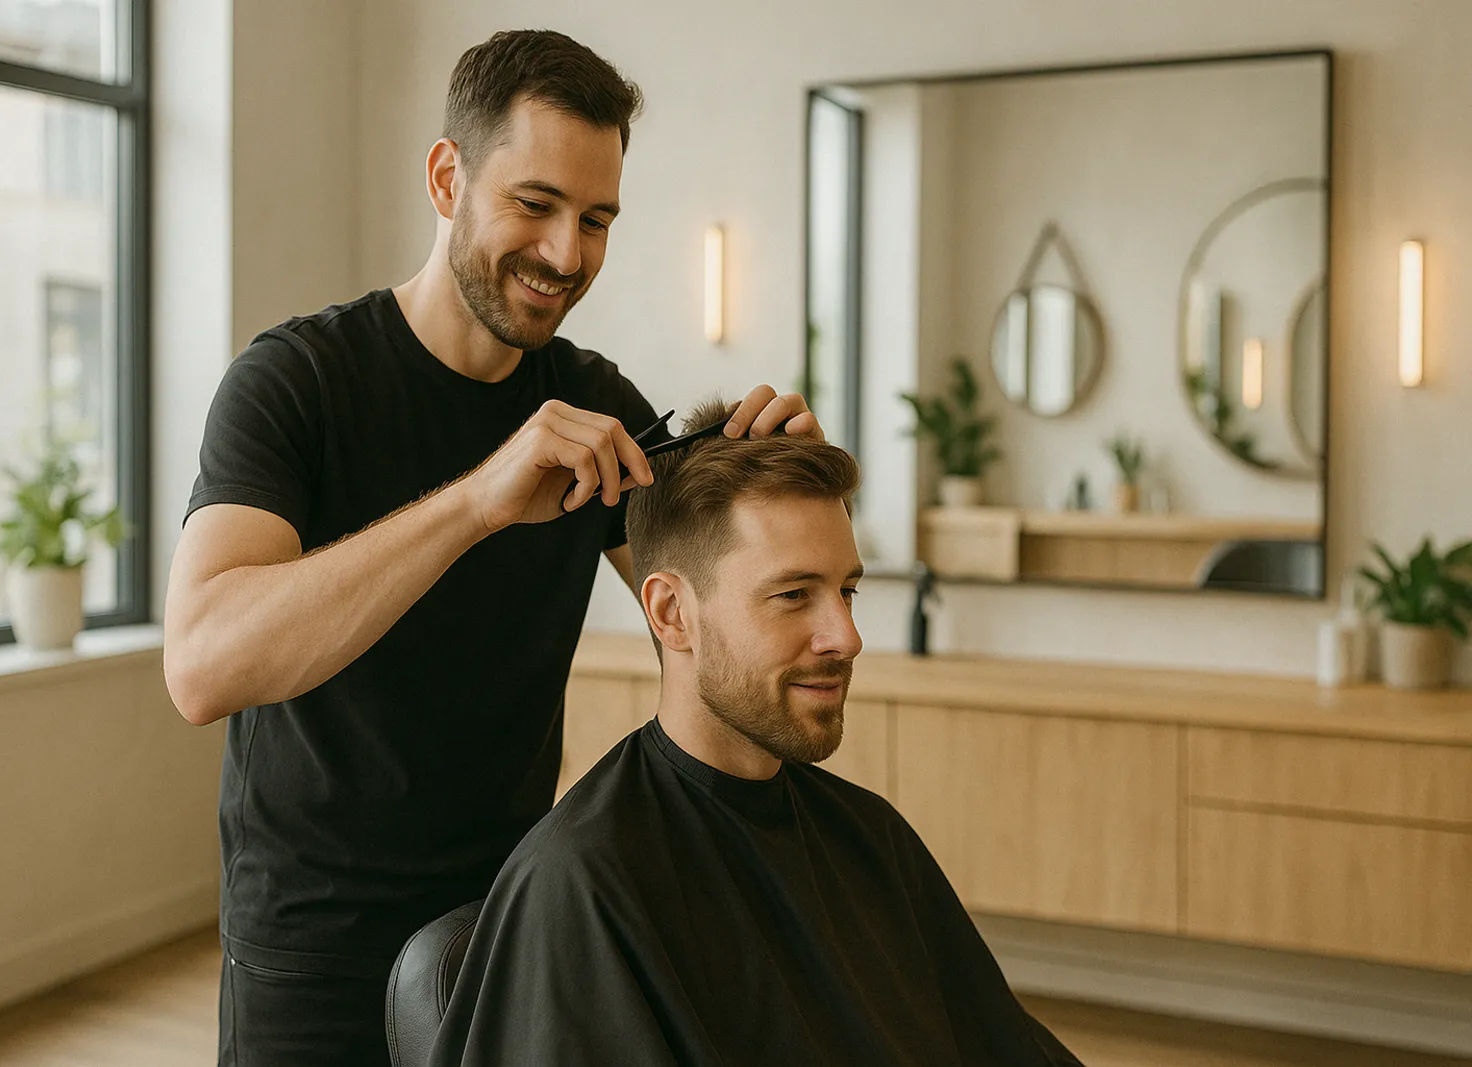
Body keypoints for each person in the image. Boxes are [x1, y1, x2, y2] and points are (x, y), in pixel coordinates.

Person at [161, 31, 820, 1067]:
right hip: (311, 951)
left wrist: (776, 503)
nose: (567, 253)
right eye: (535, 204)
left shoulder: (600, 404)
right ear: (445, 176)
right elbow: (202, 664)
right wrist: (476, 500)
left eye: (595, 219)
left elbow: (709, 626)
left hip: (508, 927)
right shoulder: (296, 383)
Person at [427, 400, 1085, 1067]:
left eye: (847, 590)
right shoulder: (586, 882)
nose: (846, 637)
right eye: (794, 595)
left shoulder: (871, 839)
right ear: (671, 612)